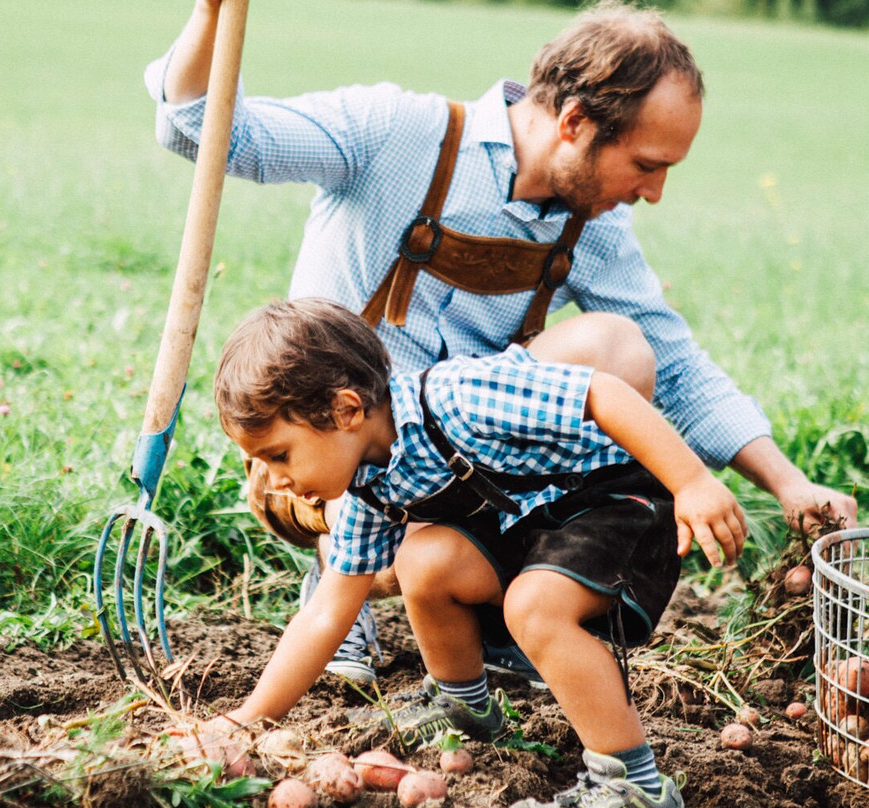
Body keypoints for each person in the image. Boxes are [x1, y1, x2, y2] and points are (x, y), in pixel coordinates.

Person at [146, 0, 857, 683]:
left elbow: (674, 368)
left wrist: (789, 483)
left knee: (620, 348)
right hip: (335, 454)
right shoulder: (395, 132)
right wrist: (212, 12)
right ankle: (343, 584)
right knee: (339, 445)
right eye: (646, 164)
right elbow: (200, 130)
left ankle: (505, 604)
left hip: (461, 465)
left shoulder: (593, 227)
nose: (655, 191)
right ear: (575, 122)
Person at [211, 298, 746, 808]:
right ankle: (465, 706)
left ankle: (633, 784)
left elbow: (603, 394)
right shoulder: (367, 489)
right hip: (536, 522)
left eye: (278, 455)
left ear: (346, 410)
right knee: (424, 561)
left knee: (534, 607)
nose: (276, 480)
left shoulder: (459, 396)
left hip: (616, 502)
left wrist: (693, 482)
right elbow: (327, 613)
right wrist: (247, 719)